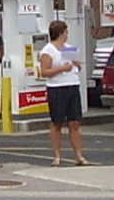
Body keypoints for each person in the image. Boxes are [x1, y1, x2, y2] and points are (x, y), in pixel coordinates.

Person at [39, 19, 90, 167]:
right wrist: (61, 69)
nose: (67, 34)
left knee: (74, 122)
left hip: (72, 85)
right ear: (61, 33)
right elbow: (44, 71)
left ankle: (79, 156)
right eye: (66, 32)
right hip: (57, 88)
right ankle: (57, 155)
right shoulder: (48, 50)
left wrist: (76, 66)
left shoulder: (68, 48)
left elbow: (75, 68)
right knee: (57, 123)